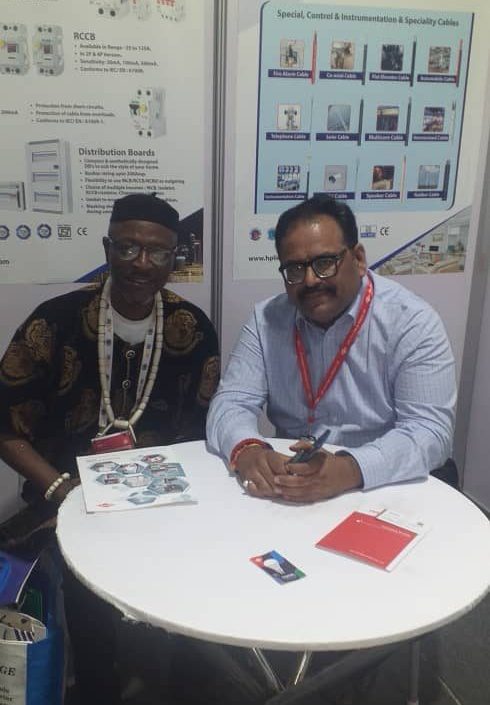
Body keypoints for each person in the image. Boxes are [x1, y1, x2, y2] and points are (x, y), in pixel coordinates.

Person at [0, 192, 220, 704]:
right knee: (88, 603)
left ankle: (184, 682)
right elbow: (4, 422)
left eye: (157, 252)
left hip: (161, 500)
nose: (141, 263)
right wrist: (61, 489)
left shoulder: (193, 328)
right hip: (66, 495)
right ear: (107, 248)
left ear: (173, 259)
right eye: (127, 248)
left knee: (189, 593)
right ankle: (98, 684)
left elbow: (204, 429)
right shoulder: (53, 321)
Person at [207, 195, 456, 503]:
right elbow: (231, 402)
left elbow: (431, 430)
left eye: (325, 263)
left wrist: (351, 469)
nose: (311, 280)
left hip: (380, 487)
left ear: (359, 259)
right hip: (291, 486)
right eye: (295, 269)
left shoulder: (410, 322)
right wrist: (247, 448)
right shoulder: (267, 320)